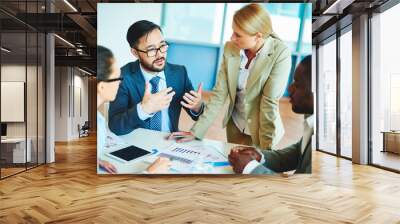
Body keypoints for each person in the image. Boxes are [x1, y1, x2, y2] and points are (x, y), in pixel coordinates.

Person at [169, 4, 291, 150]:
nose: (232, 38)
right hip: (235, 127)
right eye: (233, 31)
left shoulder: (280, 53)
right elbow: (219, 95)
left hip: (263, 130)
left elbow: (269, 103)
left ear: (258, 36)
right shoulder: (231, 48)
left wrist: (267, 152)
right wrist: (196, 131)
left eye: (238, 34)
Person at [108, 20, 204, 136]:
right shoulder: (123, 77)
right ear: (135, 52)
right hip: (136, 144)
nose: (160, 55)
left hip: (169, 141)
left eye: (162, 46)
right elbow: (115, 125)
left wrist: (197, 106)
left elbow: (195, 112)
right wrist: (143, 110)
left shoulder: (179, 73)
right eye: (151, 50)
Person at [228, 55, 313, 174]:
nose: (289, 88)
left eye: (297, 84)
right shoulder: (312, 120)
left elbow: (303, 190)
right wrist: (259, 156)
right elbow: (299, 153)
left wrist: (250, 168)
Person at [97, 45, 170, 174]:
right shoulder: (97, 124)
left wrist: (96, 161)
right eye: (117, 78)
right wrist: (150, 172)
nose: (120, 83)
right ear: (102, 87)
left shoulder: (98, 118)